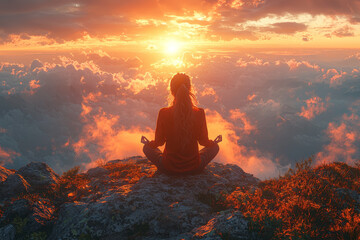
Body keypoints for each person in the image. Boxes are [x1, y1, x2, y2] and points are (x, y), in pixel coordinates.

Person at [143, 73, 220, 175]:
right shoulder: (199, 112)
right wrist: (213, 143)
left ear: (171, 91)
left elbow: (159, 142)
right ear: (190, 89)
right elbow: (203, 141)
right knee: (215, 147)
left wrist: (149, 144)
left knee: (146, 148)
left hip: (169, 168)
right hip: (194, 168)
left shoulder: (164, 113)